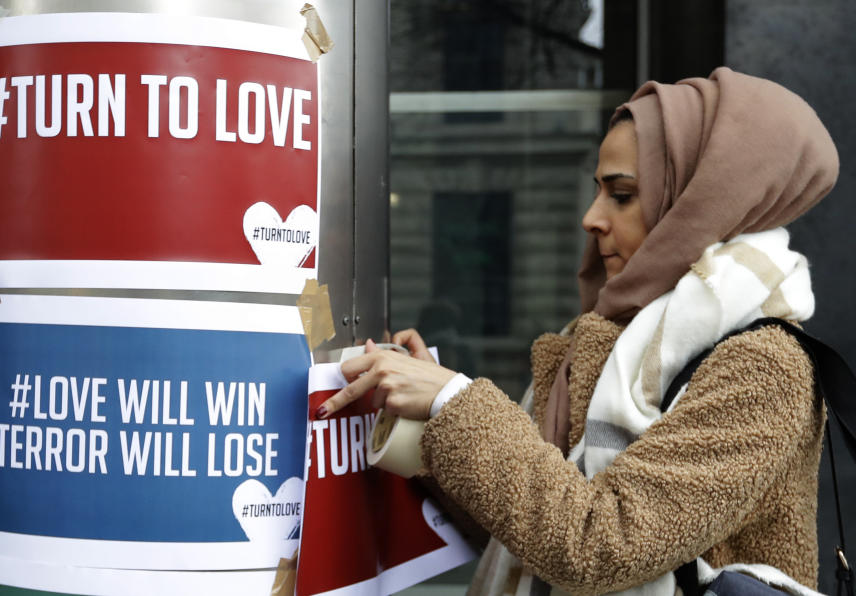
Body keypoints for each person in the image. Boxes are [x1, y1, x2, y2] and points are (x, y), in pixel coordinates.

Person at [316, 67, 839, 595]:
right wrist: (429, 422)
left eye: (623, 195)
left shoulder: (764, 365)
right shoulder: (598, 343)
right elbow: (522, 535)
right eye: (598, 192)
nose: (591, 217)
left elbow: (601, 546)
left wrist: (455, 402)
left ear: (699, 205)